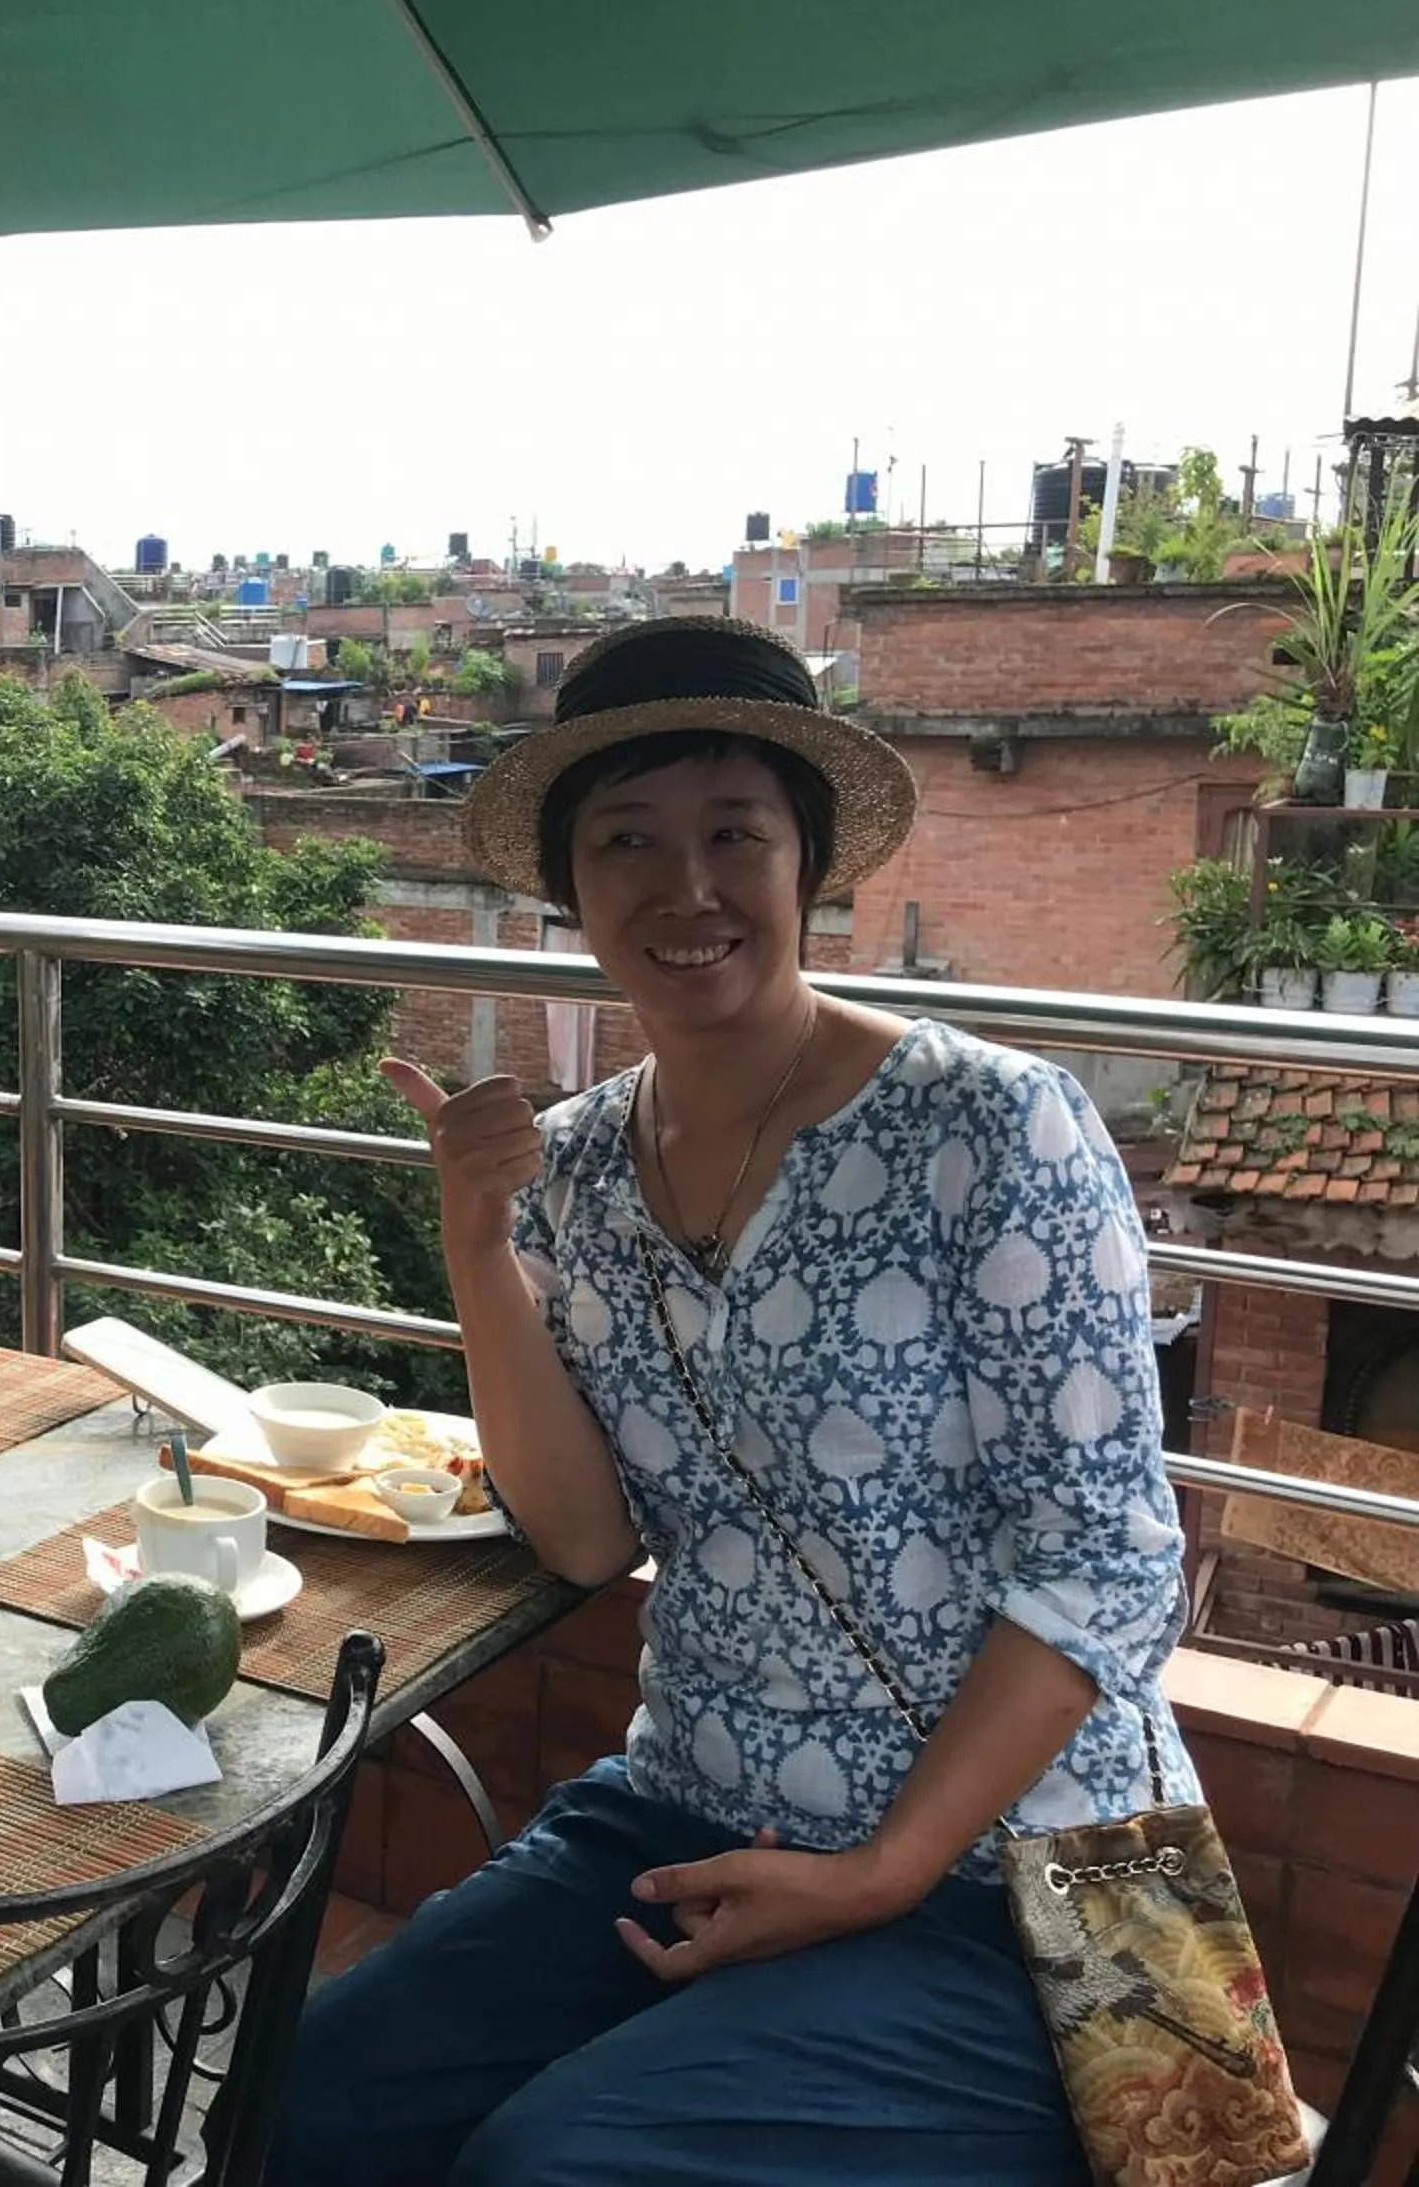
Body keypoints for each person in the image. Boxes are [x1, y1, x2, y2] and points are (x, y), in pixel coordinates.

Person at [268, 616, 1193, 2187]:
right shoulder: (566, 1168)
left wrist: (880, 1873)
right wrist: (479, 1246)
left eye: (733, 836)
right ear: (568, 887)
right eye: (626, 841)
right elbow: (574, 1538)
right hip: (690, 1805)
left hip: (1010, 1873)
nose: (683, 889)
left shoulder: (991, 1129)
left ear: (808, 866)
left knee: (554, 2164)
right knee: (305, 2101)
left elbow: (1109, 1561)